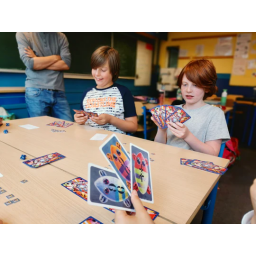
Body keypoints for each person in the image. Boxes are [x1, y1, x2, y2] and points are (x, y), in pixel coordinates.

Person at [153, 59, 230, 156]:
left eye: (195, 85)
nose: (188, 90)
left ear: (206, 88)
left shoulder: (215, 113)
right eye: (185, 84)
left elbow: (213, 153)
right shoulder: (173, 110)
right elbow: (158, 147)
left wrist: (187, 136)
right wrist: (161, 129)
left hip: (193, 168)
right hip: (167, 162)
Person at [74, 46, 137, 134]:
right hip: (88, 140)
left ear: (114, 71)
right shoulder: (87, 93)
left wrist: (111, 119)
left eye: (103, 70)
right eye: (94, 69)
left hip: (113, 143)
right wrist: (79, 120)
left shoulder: (123, 92)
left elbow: (133, 127)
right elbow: (82, 120)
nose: (97, 74)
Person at [16, 32, 72, 121]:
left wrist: (37, 58)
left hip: (59, 91)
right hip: (36, 91)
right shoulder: (23, 33)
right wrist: (56, 57)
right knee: (39, 131)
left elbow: (65, 64)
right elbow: (31, 64)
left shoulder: (61, 36)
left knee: (68, 127)